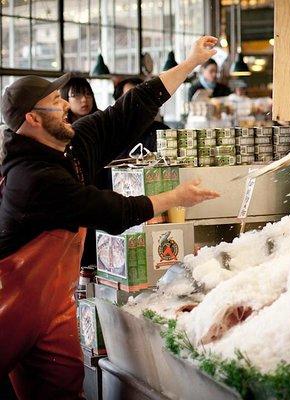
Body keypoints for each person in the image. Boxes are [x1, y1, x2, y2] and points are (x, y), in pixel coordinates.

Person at [0, 36, 219, 399]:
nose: (67, 108)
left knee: (63, 390)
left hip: (53, 306)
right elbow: (112, 211)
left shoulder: (68, 146)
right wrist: (176, 197)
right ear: (32, 118)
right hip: (9, 306)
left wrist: (191, 61)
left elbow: (126, 111)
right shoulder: (32, 178)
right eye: (57, 103)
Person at [113, 76, 168, 154]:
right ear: (118, 103)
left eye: (141, 97)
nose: (136, 102)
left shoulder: (161, 132)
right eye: (130, 98)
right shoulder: (110, 134)